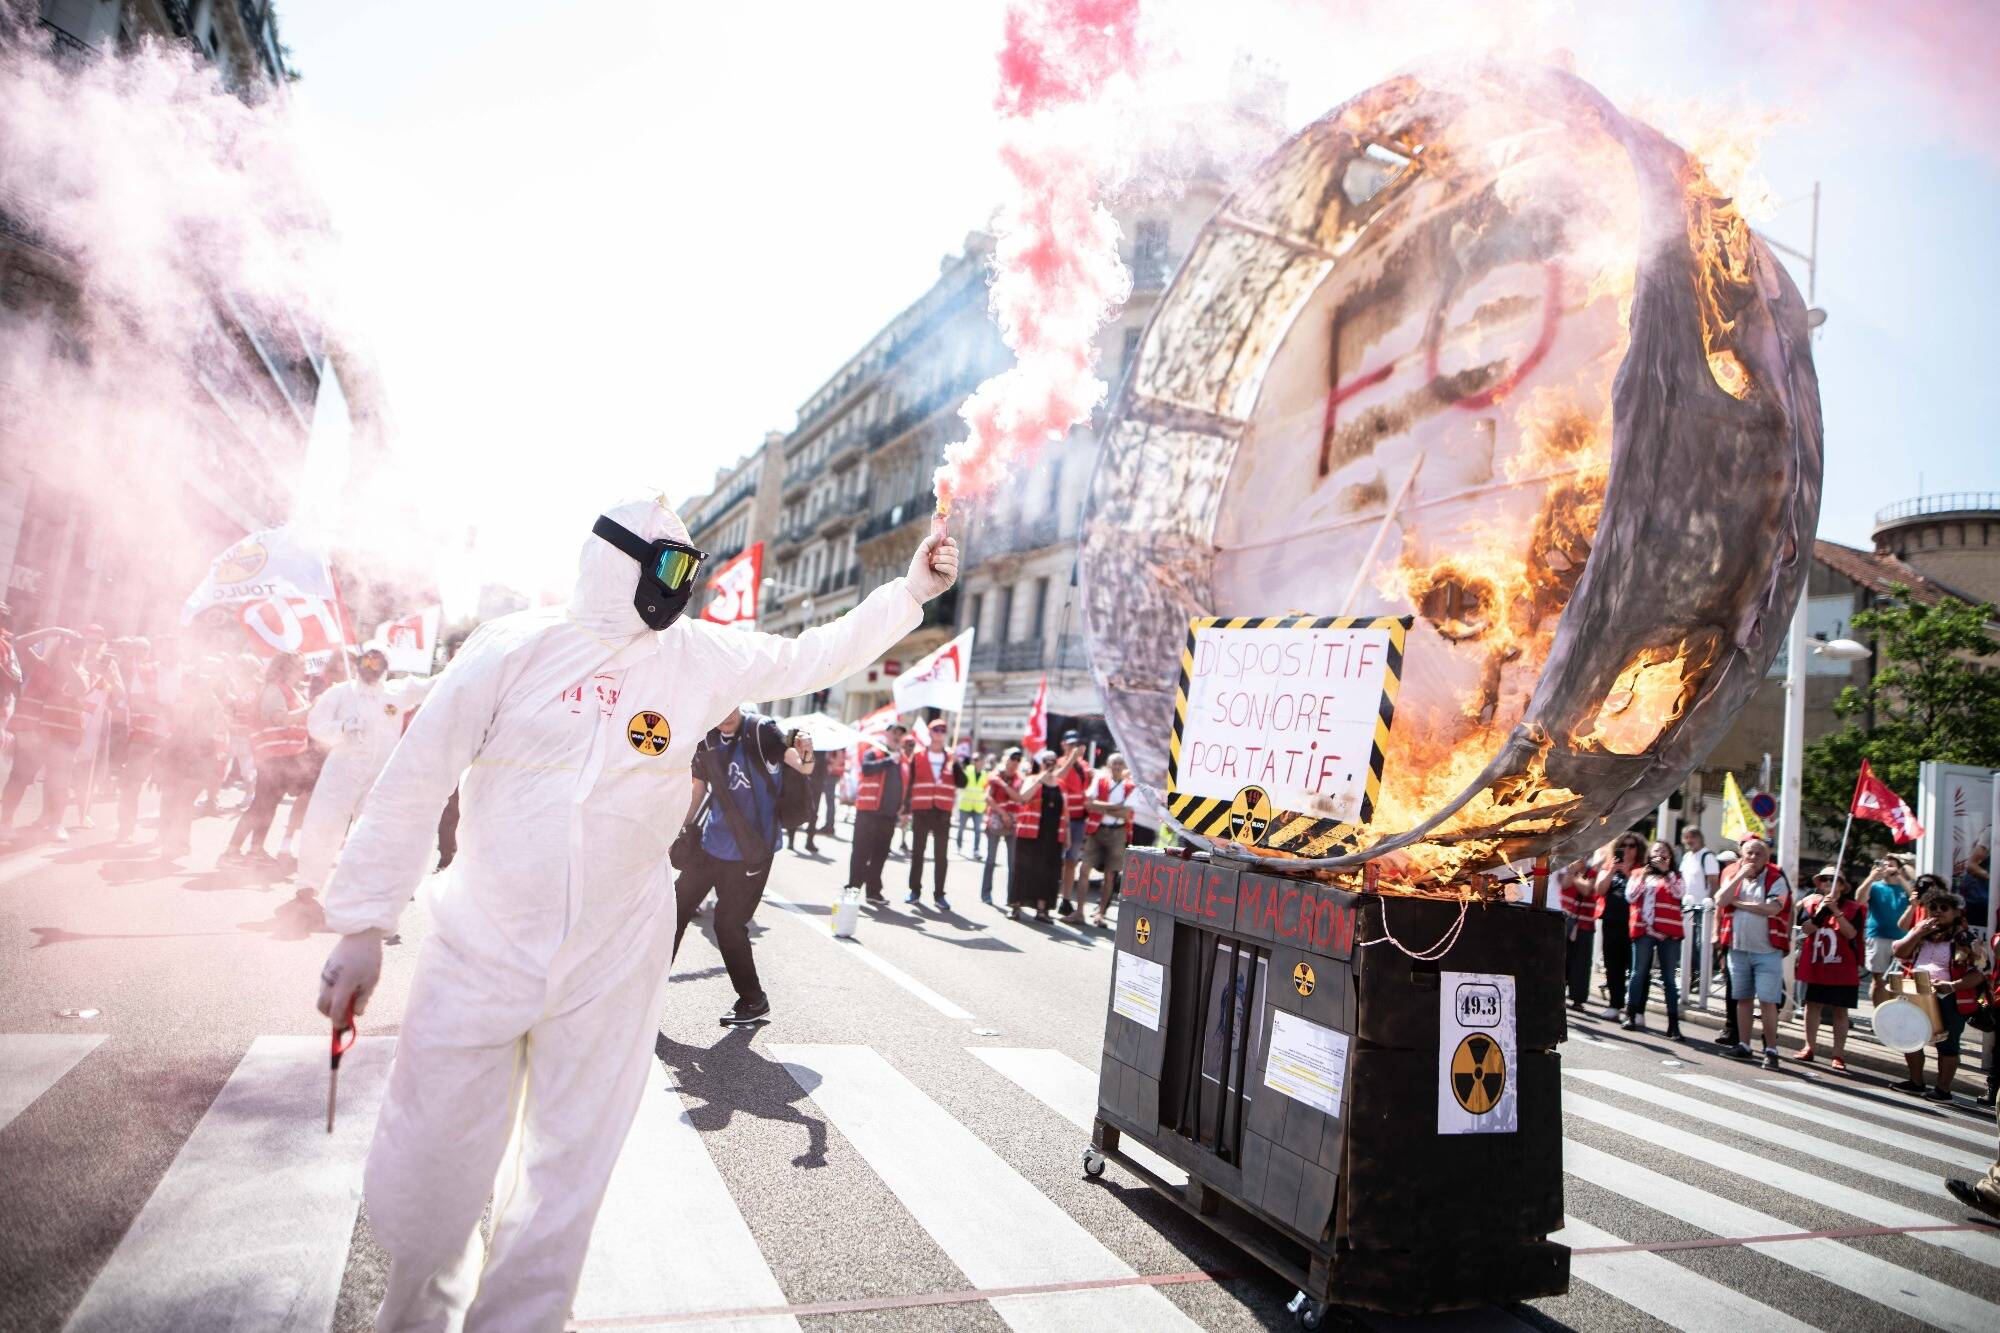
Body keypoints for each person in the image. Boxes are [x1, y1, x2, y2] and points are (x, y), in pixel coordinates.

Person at [313, 495, 957, 1330]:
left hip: (612, 960)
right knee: (433, 1174)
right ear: (617, 562)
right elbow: (413, 780)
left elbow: (813, 654)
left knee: (566, 1178)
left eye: (689, 570)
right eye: (669, 568)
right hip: (481, 945)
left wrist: (908, 593)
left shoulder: (698, 657)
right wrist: (362, 924)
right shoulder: (511, 649)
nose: (680, 587)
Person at [672, 707, 811, 1026]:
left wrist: (806, 752)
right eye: (718, 704)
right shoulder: (706, 738)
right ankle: (646, 993)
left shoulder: (763, 731)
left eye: (730, 703)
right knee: (674, 910)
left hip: (753, 850)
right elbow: (697, 789)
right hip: (711, 842)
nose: (725, 712)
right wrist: (681, 829)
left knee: (728, 925)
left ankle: (753, 1000)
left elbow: (800, 767)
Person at [297, 644, 438, 893]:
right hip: (341, 772)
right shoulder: (340, 693)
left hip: (378, 777)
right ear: (358, 662)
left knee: (372, 833)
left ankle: (359, 892)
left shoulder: (398, 692)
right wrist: (341, 728)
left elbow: (435, 684)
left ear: (386, 666)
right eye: (366, 661)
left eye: (377, 662)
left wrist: (467, 659)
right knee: (324, 825)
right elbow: (316, 725)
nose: (370, 667)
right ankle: (308, 888)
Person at [1889, 886, 1990, 1103]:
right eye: (1932, 907)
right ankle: (1916, 1083)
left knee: (1947, 1044)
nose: (1937, 911)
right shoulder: (1921, 932)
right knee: (1910, 1037)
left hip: (1949, 998)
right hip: (1915, 992)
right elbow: (1899, 952)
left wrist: (1952, 985)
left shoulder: (1964, 938)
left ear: (1955, 912)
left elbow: (1982, 971)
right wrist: (1917, 932)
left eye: (1944, 907)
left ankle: (1943, 1090)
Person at [222, 652, 312, 864]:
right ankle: (232, 850)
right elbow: (279, 719)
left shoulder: (291, 690)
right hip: (273, 756)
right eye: (300, 665)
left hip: (284, 756)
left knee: (269, 804)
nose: (304, 669)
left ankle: (255, 849)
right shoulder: (274, 689)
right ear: (286, 668)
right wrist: (311, 708)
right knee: (261, 804)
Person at [0, 631, 88, 841]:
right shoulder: (42, 667)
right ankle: (4, 822)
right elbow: (19, 642)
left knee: (59, 782)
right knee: (19, 778)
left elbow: (79, 688)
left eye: (74, 649)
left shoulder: (83, 672)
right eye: (65, 648)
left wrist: (67, 662)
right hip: (35, 735)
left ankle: (56, 824)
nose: (68, 652)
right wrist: (53, 631)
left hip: (64, 738)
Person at [1716, 836, 1791, 1069]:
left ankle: (1771, 1048)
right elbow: (1720, 900)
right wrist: (1739, 875)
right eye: (1749, 853)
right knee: (1743, 999)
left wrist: (1739, 904)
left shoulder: (1776, 879)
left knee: (1768, 1001)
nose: (1753, 858)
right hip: (1738, 949)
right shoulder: (1734, 876)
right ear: (1741, 855)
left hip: (1767, 951)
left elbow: (1771, 908)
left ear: (1767, 858)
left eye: (1759, 854)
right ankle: (1744, 1044)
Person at [1793, 865, 1864, 1070]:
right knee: (1812, 1005)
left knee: (1840, 1010)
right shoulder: (1811, 903)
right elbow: (1806, 929)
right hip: (1817, 963)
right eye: (1824, 880)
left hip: (1842, 966)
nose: (1827, 884)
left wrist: (1835, 911)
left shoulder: (1854, 908)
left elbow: (1851, 934)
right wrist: (1822, 912)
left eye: (1833, 880)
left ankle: (1838, 1054)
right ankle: (1809, 1046)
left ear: (1842, 886)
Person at [1623, 840, 1684, 1039]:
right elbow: (1631, 896)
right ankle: (1631, 1015)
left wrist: (1667, 873)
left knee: (1669, 978)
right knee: (1638, 972)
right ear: (1649, 855)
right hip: (1644, 930)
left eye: (1665, 851)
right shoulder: (1639, 874)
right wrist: (1645, 875)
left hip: (1669, 933)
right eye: (1656, 851)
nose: (1660, 854)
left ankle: (1673, 1024)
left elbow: (1680, 893)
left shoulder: (1676, 876)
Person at [114, 637, 171, 843]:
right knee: (131, 785)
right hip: (145, 737)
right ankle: (126, 829)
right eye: (167, 647)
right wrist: (168, 708)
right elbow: (136, 700)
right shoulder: (147, 671)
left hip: (173, 741)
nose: (172, 653)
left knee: (171, 788)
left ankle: (165, 833)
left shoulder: (186, 674)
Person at [1010, 746, 1075, 921]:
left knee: (1048, 872)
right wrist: (1041, 780)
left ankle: (1041, 910)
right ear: (1040, 763)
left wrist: (1067, 835)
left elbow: (1066, 811)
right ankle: (1016, 906)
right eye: (1046, 762)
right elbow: (1023, 797)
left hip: (1052, 834)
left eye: (1053, 762)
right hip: (1031, 832)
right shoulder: (1031, 779)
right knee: (1024, 869)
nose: (1050, 765)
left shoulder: (1061, 785)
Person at [847, 721, 908, 904]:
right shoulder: (873, 752)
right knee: (861, 853)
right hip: (868, 813)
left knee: (880, 855)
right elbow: (866, 768)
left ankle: (873, 892)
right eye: (894, 732)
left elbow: (906, 785)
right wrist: (890, 759)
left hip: (888, 816)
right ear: (886, 734)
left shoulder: (903, 760)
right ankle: (853, 889)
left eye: (900, 733)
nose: (897, 736)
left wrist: (905, 809)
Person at [1074, 752, 1136, 927]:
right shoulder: (1100, 781)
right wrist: (1115, 807)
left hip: (1118, 833)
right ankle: (1079, 912)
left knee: (1110, 875)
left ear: (1124, 767)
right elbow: (1088, 803)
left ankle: (1100, 913)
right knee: (1084, 869)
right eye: (1113, 763)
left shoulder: (1130, 787)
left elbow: (1126, 813)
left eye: (1119, 764)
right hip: (1097, 830)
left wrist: (1100, 807)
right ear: (1109, 766)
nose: (1116, 766)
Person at [904, 718, 957, 909]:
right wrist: (904, 808)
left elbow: (962, 782)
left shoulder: (952, 758)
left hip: (942, 812)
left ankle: (939, 895)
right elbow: (909, 783)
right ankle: (914, 891)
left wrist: (958, 764)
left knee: (941, 856)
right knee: (918, 853)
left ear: (946, 734)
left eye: (943, 730)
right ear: (930, 732)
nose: (939, 732)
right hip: (922, 810)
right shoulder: (917, 756)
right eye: (936, 729)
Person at [1594, 834, 1643, 1020]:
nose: (1628, 849)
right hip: (1611, 922)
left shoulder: (1642, 870)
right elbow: (1599, 890)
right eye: (1623, 846)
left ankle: (1636, 1009)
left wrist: (1629, 873)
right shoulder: (1609, 868)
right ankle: (1615, 1004)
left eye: (1632, 846)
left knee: (1635, 967)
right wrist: (1612, 870)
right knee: (1613, 965)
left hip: (1634, 925)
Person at [1865, 855, 1918, 1005]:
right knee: (1879, 981)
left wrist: (1899, 876)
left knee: (1900, 982)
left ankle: (1894, 1017)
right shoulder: (1875, 886)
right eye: (1885, 864)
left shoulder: (1905, 885)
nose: (1887, 867)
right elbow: (1859, 899)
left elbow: (1915, 898)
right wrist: (1871, 877)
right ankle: (1878, 1018)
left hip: (1902, 939)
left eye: (1891, 865)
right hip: (1878, 937)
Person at [1677, 827, 1720, 995]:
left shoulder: (1707, 856)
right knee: (1687, 945)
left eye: (1692, 837)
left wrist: (1708, 905)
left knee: (1699, 945)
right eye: (1686, 838)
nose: (1689, 841)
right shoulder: (1687, 857)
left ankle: (1703, 980)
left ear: (1699, 838)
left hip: (1702, 909)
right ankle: (1690, 977)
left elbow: (1713, 883)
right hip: (1687, 908)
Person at [1055, 731, 1092, 913]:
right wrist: (1071, 758)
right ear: (1064, 745)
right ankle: (1050, 895)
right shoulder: (1061, 762)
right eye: (1070, 745)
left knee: (1071, 861)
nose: (1074, 748)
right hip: (1063, 820)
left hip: (1079, 820)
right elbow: (1059, 777)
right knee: (1058, 860)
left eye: (1076, 745)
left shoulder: (1085, 766)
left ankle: (1066, 899)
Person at [981, 748, 1023, 904]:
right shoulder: (994, 776)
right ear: (1006, 759)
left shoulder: (1020, 779)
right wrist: (1003, 813)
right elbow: (987, 798)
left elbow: (1019, 798)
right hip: (996, 823)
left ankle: (1011, 898)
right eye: (1013, 759)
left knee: (1013, 864)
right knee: (990, 860)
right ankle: (986, 895)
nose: (1015, 762)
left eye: (1018, 760)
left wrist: (1005, 786)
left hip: (1012, 825)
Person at [1557, 854, 1598, 1010]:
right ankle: (1558, 993)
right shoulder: (1566, 867)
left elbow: (1587, 889)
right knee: (1562, 960)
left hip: (1584, 922)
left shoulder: (1592, 872)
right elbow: (1565, 885)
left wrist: (1573, 874)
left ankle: (1578, 999)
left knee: (1581, 962)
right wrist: (1573, 873)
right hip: (1565, 920)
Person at [954, 748, 986, 861]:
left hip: (978, 808)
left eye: (979, 759)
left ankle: (976, 851)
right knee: (961, 828)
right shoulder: (967, 770)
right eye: (975, 759)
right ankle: (958, 846)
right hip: (965, 806)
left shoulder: (985, 774)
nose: (976, 761)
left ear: (983, 761)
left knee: (978, 831)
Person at [816, 746, 845, 839]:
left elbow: (840, 758)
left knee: (830, 801)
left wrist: (830, 767)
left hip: (832, 774)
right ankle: (829, 825)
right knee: (830, 801)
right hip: (834, 774)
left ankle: (829, 826)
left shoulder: (838, 744)